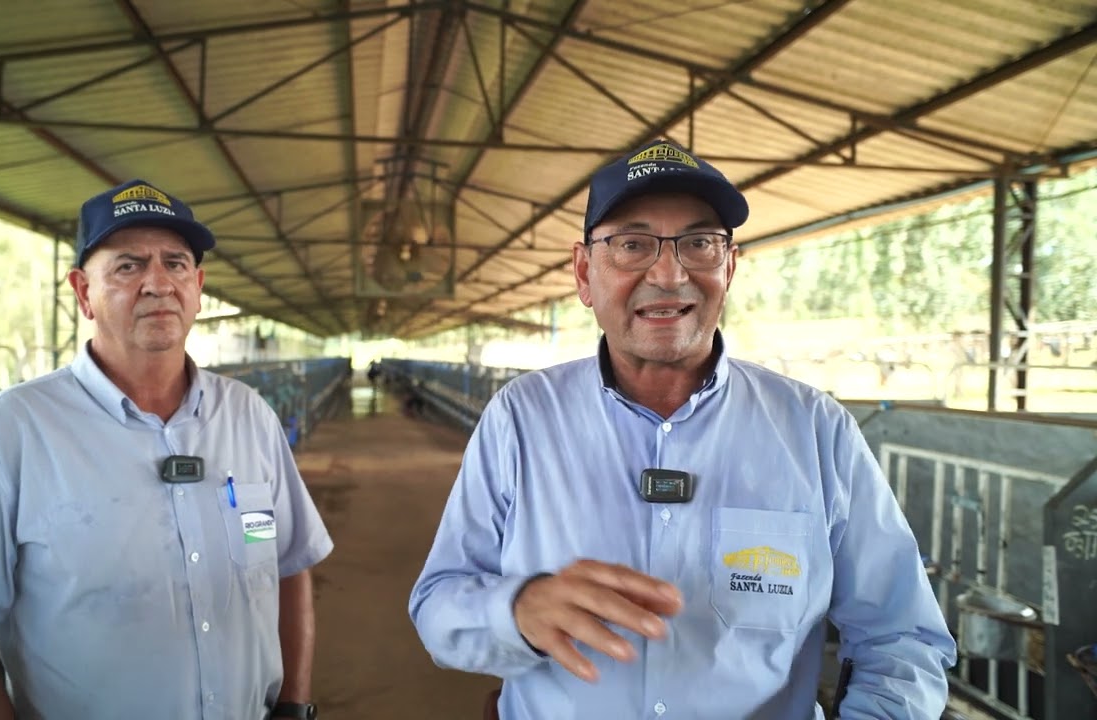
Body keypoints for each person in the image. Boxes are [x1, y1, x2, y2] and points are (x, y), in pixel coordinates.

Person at [408, 140, 956, 719]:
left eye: (699, 244)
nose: (669, 275)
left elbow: (902, 636)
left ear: (730, 267)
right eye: (632, 245)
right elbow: (438, 602)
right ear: (583, 272)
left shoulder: (815, 430)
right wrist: (515, 611)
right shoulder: (522, 418)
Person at [0, 179, 332, 720]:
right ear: (83, 293)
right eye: (128, 266)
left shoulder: (249, 415)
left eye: (176, 263)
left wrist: (294, 706)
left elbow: (287, 564)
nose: (158, 283)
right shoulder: (15, 429)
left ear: (199, 286)